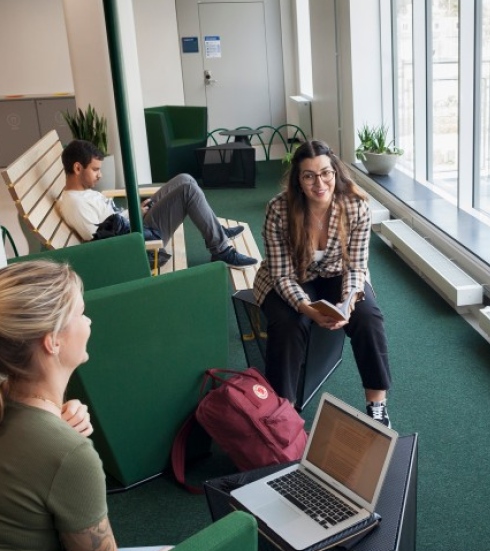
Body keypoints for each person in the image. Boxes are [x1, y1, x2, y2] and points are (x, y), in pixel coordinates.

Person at [0, 260, 171, 551]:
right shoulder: (68, 453)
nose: (89, 322)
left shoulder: (9, 399)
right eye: (80, 312)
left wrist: (58, 418)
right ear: (52, 341)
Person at [253, 139, 392, 426]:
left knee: (369, 318)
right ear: (298, 180)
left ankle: (376, 404)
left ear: (335, 173)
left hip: (338, 273)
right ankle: (285, 413)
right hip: (292, 277)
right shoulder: (278, 210)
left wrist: (347, 303)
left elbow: (356, 266)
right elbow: (281, 275)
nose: (320, 183)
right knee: (288, 323)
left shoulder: (356, 206)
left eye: (326, 173)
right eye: (309, 175)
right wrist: (308, 309)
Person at [58, 139, 257, 270]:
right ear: (77, 167)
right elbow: (102, 243)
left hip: (135, 222)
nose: (100, 175)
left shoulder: (82, 193)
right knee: (188, 191)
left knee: (184, 179)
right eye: (95, 170)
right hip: (138, 240)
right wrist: (135, 216)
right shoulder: (76, 205)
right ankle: (221, 250)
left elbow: (110, 221)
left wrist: (135, 211)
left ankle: (216, 230)